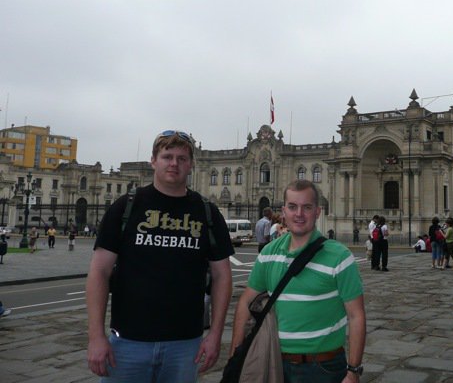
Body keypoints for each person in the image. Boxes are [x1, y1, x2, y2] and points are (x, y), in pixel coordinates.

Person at [86, 130, 235, 381]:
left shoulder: (207, 212)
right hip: (127, 342)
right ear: (153, 161)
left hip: (186, 343)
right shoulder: (125, 207)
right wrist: (96, 336)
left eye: (182, 158)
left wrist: (215, 335)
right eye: (167, 157)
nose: (174, 163)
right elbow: (99, 272)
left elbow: (222, 276)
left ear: (191, 165)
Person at [230, 179, 366, 383]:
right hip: (274, 362)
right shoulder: (268, 253)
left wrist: (353, 371)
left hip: (323, 368)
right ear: (284, 211)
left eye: (307, 207)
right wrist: (235, 356)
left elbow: (356, 316)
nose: (299, 214)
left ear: (318, 212)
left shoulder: (339, 256)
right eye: (292, 207)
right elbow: (245, 303)